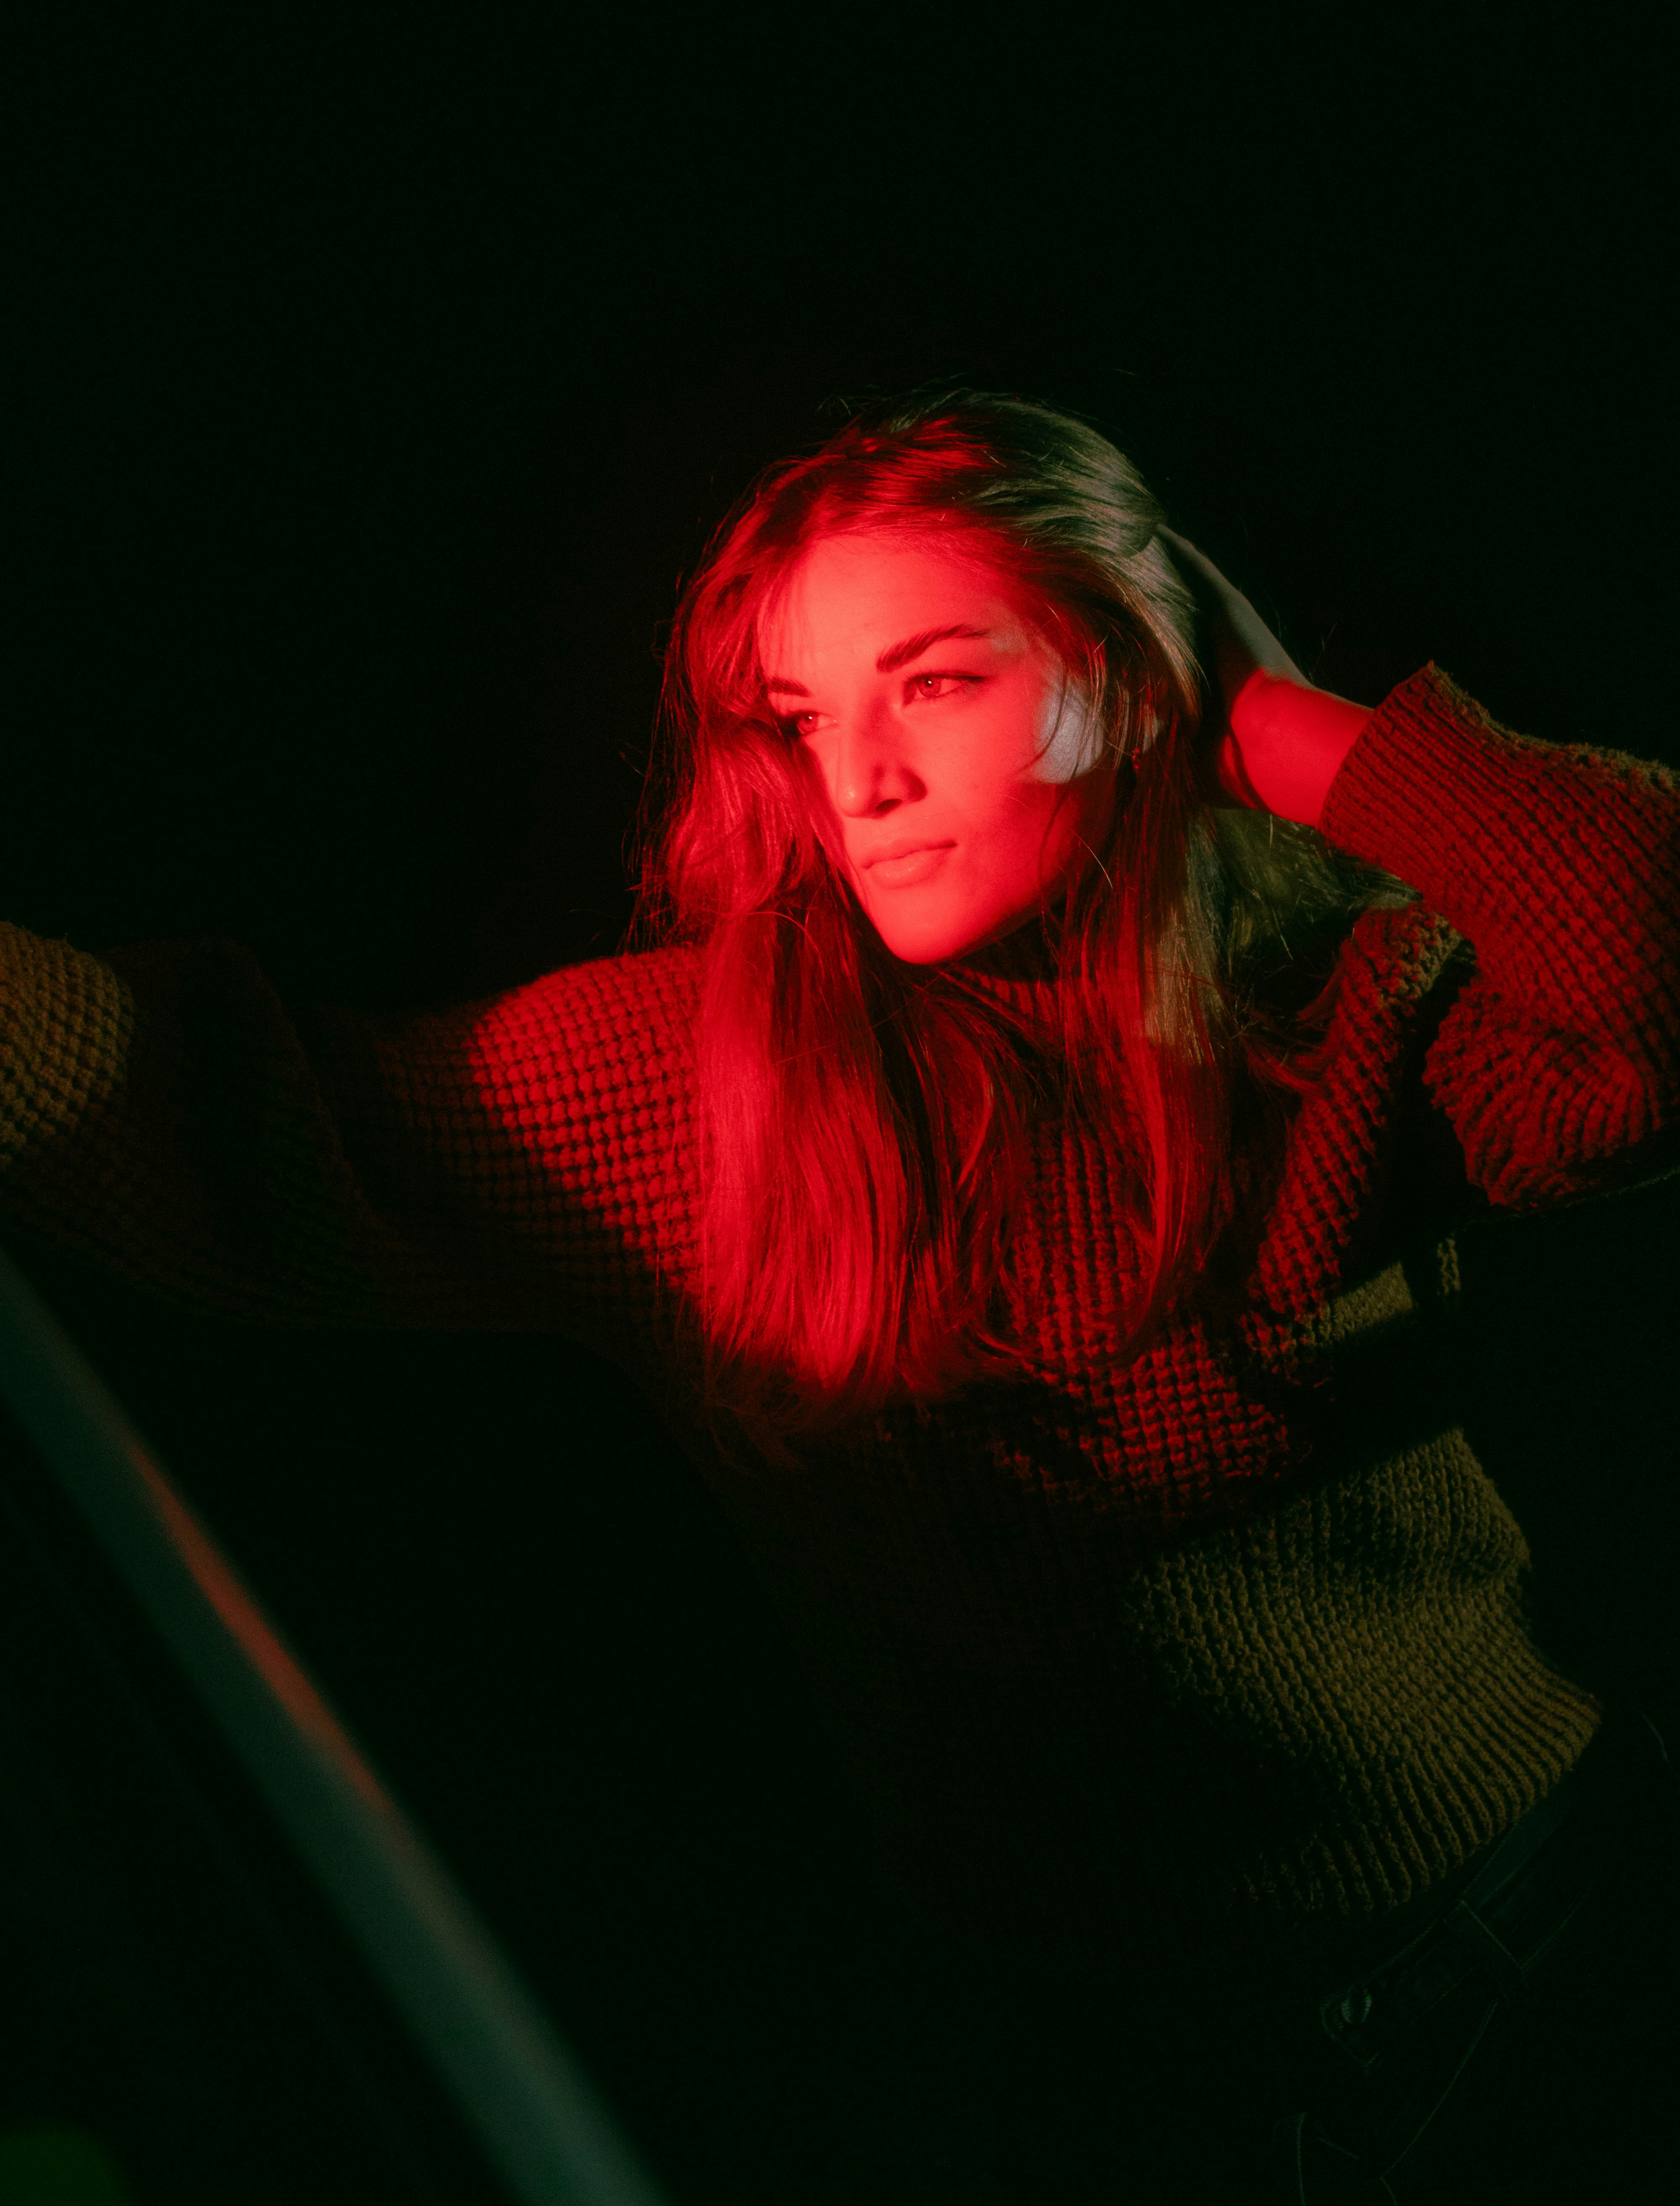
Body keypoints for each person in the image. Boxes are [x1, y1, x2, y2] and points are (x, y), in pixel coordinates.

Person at [3, 386, 1677, 2199]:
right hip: (1077, 2049)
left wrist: (1266, 728)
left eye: (939, 682)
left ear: (1123, 675)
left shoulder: (1349, 1023)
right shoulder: (701, 1087)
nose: (857, 780)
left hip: (1533, 1937)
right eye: (804, 716)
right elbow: (204, 1114)